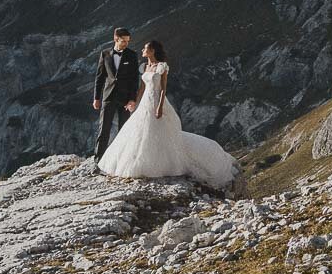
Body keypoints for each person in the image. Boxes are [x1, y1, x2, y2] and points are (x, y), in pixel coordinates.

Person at [97, 39, 239, 191]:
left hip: (157, 101)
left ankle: (163, 164)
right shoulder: (144, 67)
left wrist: (159, 107)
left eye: (146, 48)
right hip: (145, 103)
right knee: (140, 132)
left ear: (152, 51)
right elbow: (142, 88)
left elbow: (163, 89)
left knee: (158, 130)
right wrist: (134, 102)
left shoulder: (162, 67)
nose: (143, 50)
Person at [92, 27, 140, 159]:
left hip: (125, 99)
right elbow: (100, 77)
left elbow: (135, 79)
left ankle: (122, 160)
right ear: (115, 39)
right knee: (103, 130)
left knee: (124, 131)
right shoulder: (105, 54)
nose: (126, 43)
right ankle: (98, 161)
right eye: (123, 41)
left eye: (127, 41)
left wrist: (132, 99)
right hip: (109, 97)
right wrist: (96, 97)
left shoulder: (132, 55)